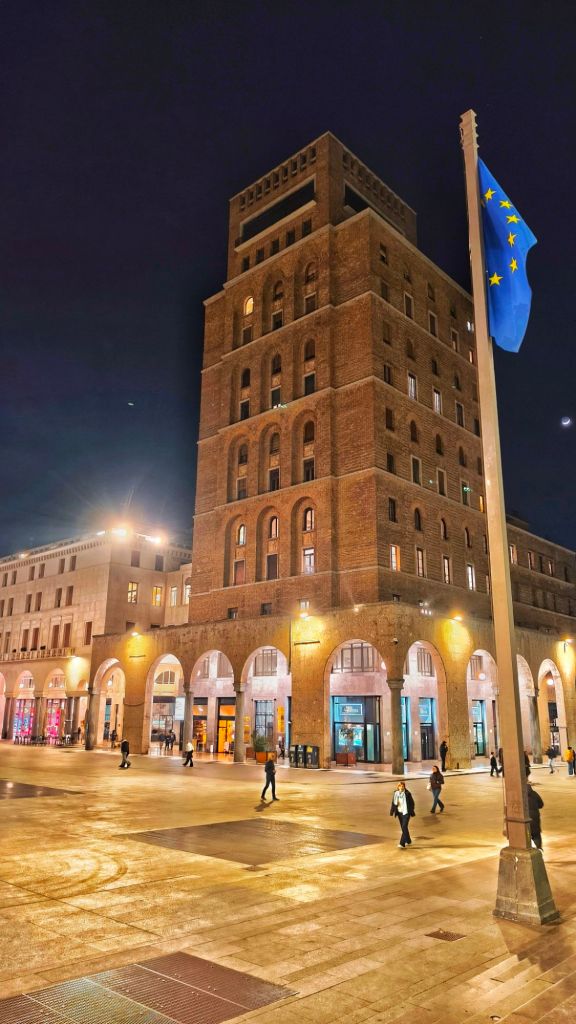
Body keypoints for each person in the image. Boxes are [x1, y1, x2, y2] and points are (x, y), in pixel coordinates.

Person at [390, 781, 415, 848]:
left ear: (404, 787)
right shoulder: (396, 794)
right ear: (398, 787)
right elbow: (393, 803)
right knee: (404, 827)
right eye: (400, 786)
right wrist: (392, 811)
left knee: (404, 827)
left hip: (406, 813)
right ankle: (408, 840)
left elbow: (412, 803)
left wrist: (410, 810)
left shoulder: (407, 794)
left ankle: (402, 843)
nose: (401, 787)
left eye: (402, 786)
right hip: (399, 813)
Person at [526, 783, 544, 850]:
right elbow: (541, 804)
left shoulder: (520, 795)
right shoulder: (534, 794)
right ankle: (539, 848)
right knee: (536, 834)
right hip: (535, 817)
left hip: (525, 818)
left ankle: (528, 848)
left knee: (526, 834)